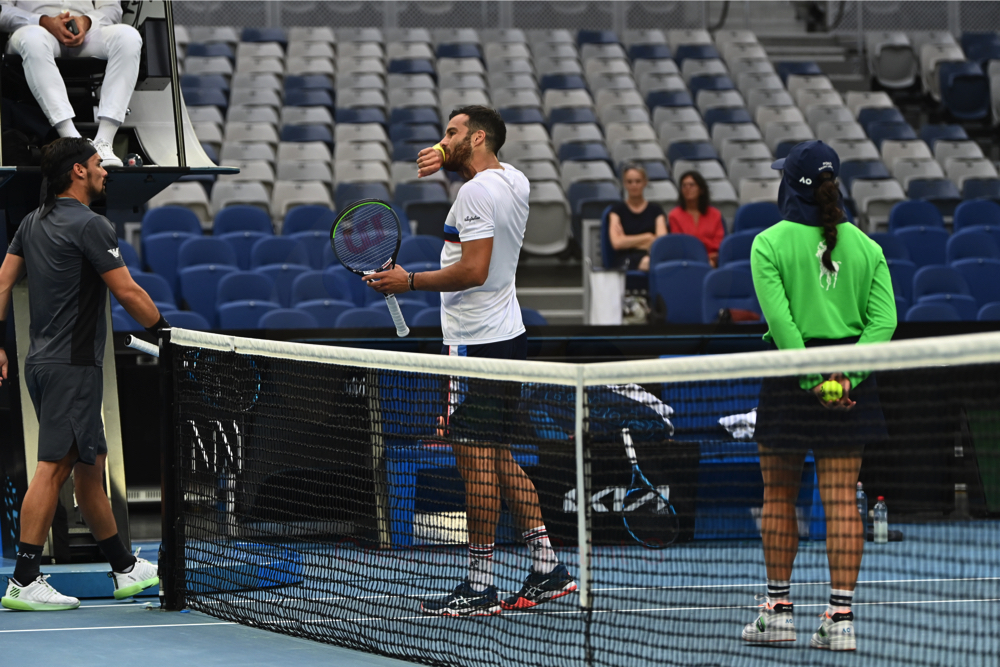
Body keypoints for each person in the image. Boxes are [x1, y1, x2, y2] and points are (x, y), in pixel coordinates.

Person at [365, 105, 577, 616]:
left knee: (476, 463)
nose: (444, 139)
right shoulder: (515, 180)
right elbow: (486, 254)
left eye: (453, 132)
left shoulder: (476, 193)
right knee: (500, 457)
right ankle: (549, 567)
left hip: (475, 345)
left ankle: (480, 583)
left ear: (478, 137)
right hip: (508, 336)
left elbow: (475, 270)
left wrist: (408, 281)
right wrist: (444, 152)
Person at [0, 137, 169, 611]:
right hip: (71, 367)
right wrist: (167, 333)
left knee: (90, 470)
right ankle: (24, 580)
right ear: (77, 171)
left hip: (43, 364)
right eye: (99, 164)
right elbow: (128, 291)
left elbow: (2, 282)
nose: (105, 171)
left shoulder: (30, 223)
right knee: (53, 468)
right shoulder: (92, 225)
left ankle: (124, 569)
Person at [742, 141, 896, 651]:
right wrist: (844, 378)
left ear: (790, 185)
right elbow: (884, 323)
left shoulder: (768, 243)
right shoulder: (868, 248)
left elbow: (783, 325)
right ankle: (841, 619)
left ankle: (779, 612)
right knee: (841, 502)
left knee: (778, 496)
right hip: (851, 381)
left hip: (792, 378)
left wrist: (813, 381)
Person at [0, 1, 145, 167]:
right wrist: (42, 21)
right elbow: (2, 11)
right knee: (33, 39)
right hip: (33, 29)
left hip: (86, 33)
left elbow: (112, 9)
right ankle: (74, 142)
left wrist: (86, 21)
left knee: (129, 37)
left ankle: (104, 141)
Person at [607, 164, 668, 271]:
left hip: (651, 255)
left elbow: (661, 242)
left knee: (658, 262)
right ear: (624, 184)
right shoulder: (616, 211)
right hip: (626, 258)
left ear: (645, 182)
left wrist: (627, 241)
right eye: (629, 182)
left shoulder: (656, 210)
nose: (634, 185)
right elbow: (617, 243)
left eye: (638, 181)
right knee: (653, 264)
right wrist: (648, 237)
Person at [668, 171, 725, 267]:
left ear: (701, 189)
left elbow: (718, 242)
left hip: (714, 259)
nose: (687, 188)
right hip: (687, 260)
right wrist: (704, 249)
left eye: (692, 185)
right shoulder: (674, 215)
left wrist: (708, 253)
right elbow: (680, 244)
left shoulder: (715, 214)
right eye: (684, 186)